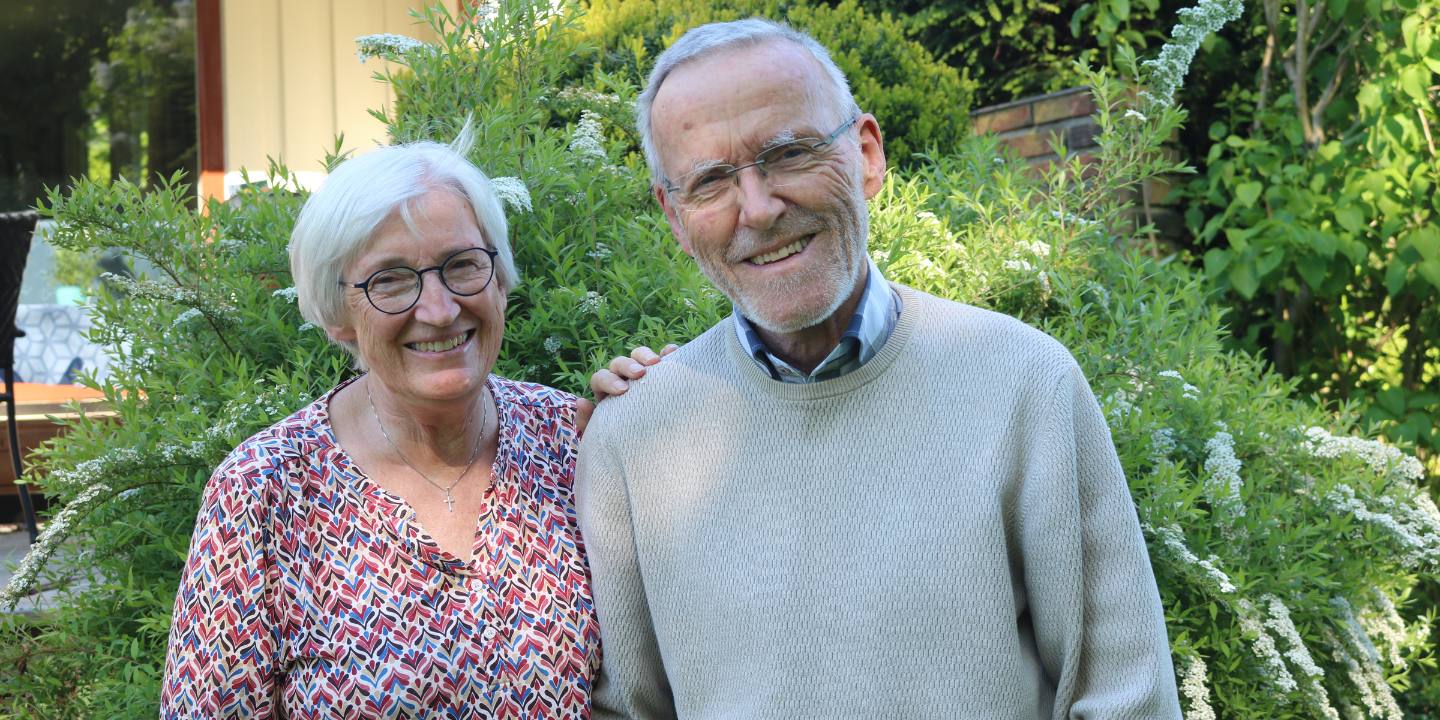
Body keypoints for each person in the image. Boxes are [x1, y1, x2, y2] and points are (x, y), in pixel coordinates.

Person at [575, 18, 1183, 719]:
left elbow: (1126, 698)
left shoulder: (1024, 382)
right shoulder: (634, 438)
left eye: (789, 153)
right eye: (710, 181)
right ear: (676, 218)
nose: (759, 209)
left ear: (866, 154)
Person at [160, 133, 599, 718]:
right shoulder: (264, 489)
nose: (439, 310)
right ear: (338, 313)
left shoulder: (575, 440)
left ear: (499, 279)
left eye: (462, 265)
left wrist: (662, 405)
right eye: (390, 279)